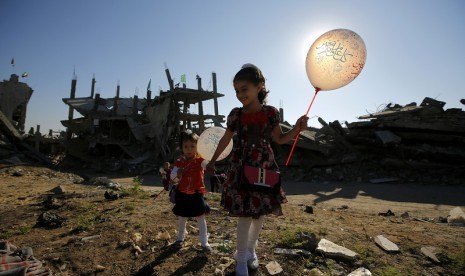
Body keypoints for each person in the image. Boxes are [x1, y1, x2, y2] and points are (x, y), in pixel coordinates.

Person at [206, 64, 308, 276]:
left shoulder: (270, 113)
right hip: (241, 167)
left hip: (264, 166)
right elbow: (226, 139)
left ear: (259, 86)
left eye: (244, 89)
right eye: (236, 90)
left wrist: (297, 129)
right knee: (244, 213)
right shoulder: (236, 115)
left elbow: (279, 139)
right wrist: (212, 160)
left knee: (260, 213)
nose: (240, 94)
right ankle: (241, 257)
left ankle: (251, 250)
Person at [170, 130, 211, 252]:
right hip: (182, 194)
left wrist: (211, 166)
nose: (189, 149)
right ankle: (180, 238)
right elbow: (173, 178)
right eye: (186, 146)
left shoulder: (200, 160)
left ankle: (204, 242)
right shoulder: (179, 161)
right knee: (182, 218)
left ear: (198, 147)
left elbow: (208, 166)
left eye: (192, 146)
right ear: (181, 147)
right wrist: (178, 174)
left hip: (197, 195)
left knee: (200, 218)